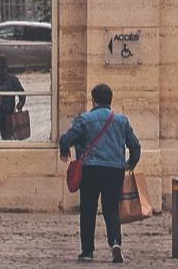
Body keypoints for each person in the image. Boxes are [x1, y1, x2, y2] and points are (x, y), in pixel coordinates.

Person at [59, 83, 142, 263]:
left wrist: (64, 148)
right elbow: (135, 145)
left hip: (91, 169)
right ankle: (115, 243)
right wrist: (131, 163)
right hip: (115, 170)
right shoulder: (121, 121)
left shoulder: (85, 120)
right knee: (111, 208)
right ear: (110, 101)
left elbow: (67, 138)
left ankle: (87, 251)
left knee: (88, 209)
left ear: (93, 100)